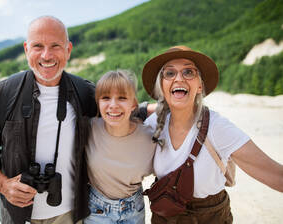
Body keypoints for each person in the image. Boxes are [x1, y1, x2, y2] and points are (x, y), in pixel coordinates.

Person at [0, 16, 97, 224]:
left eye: (55, 46)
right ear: (26, 49)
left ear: (68, 50)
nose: (46, 55)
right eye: (38, 46)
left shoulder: (85, 92)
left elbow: (123, 113)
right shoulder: (3, 93)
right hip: (17, 216)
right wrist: (3, 185)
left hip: (69, 215)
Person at [141, 45, 283, 223]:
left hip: (210, 217)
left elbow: (275, 174)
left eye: (188, 72)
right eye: (169, 73)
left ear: (200, 86)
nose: (178, 78)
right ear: (162, 85)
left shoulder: (217, 127)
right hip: (164, 216)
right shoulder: (153, 124)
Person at [84, 70, 156, 224]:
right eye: (106, 98)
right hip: (97, 210)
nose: (113, 105)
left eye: (122, 98)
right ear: (98, 102)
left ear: (133, 104)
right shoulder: (89, 129)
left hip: (134, 209)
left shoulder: (149, 137)